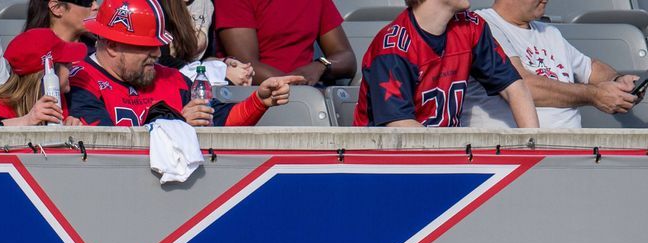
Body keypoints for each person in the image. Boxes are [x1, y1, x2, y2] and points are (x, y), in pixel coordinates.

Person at [67, 0, 302, 126]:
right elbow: (105, 147)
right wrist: (177, 124)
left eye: (158, 46)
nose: (158, 54)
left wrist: (259, 101)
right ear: (112, 46)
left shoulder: (171, 78)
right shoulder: (79, 79)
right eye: (146, 47)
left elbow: (220, 118)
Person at [354, 0, 539, 127]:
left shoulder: (471, 27)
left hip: (446, 156)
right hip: (387, 162)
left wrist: (534, 149)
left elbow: (515, 88)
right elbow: (400, 125)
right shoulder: (394, 47)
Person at [462, 0, 642, 128]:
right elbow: (523, 85)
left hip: (569, 155)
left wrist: (618, 80)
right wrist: (594, 96)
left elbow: (590, 67)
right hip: (512, 155)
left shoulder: (549, 32)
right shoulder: (481, 26)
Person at [0, 28, 87, 125]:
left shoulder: (60, 99)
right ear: (48, 72)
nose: (72, 65)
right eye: (66, 62)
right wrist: (26, 121)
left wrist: (71, 130)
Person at [215, 0, 356, 85]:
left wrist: (320, 66)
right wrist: (294, 85)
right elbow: (246, 68)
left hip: (307, 96)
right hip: (256, 96)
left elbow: (347, 58)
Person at [24, 0, 96, 42]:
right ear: (57, 8)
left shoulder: (102, 51)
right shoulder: (32, 59)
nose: (96, 6)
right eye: (87, 1)